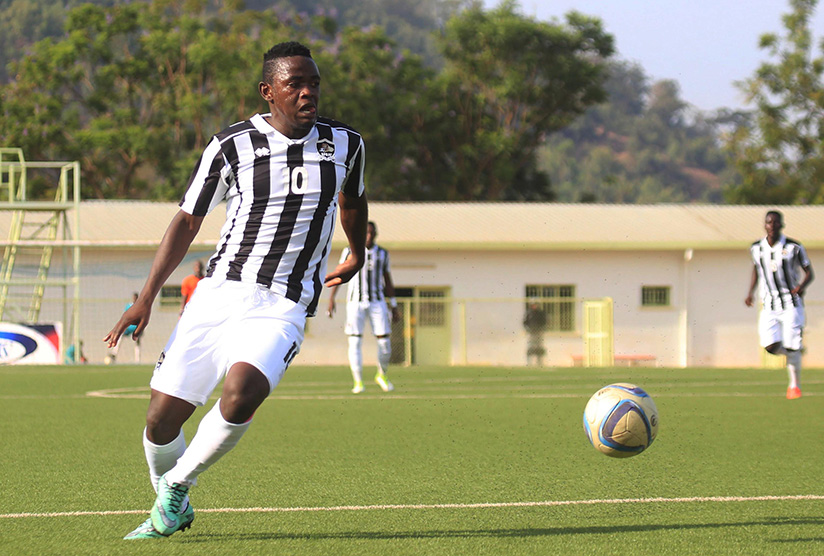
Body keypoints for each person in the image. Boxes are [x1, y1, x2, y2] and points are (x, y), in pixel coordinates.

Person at [104, 41, 368, 540]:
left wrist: (356, 250)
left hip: (284, 303)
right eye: (296, 84)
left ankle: (177, 487)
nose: (308, 92)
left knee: (242, 392)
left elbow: (353, 198)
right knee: (161, 422)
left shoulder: (346, 144)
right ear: (269, 91)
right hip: (219, 293)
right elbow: (186, 220)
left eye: (313, 83)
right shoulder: (231, 145)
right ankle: (172, 503)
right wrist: (144, 297)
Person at [745, 210, 814, 400]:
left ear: (781, 225)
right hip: (769, 304)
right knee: (769, 345)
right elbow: (756, 269)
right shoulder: (756, 248)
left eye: (776, 222)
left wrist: (801, 286)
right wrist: (750, 292)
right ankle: (794, 352)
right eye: (769, 222)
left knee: (792, 345)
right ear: (765, 225)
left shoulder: (794, 247)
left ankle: (794, 386)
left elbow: (809, 272)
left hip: (791, 303)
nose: (772, 225)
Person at [327, 221, 400, 393]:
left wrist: (394, 305)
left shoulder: (382, 254)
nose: (367, 236)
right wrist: (332, 298)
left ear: (375, 234)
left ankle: (381, 374)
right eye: (365, 233)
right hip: (355, 302)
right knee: (354, 341)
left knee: (384, 341)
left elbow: (387, 279)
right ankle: (358, 381)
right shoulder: (348, 251)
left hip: (377, 301)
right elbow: (341, 273)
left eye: (371, 233)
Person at [106, 292, 141, 364]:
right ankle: (114, 353)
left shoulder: (140, 306)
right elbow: (125, 316)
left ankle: (137, 359)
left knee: (137, 342)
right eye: (134, 298)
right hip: (128, 327)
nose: (134, 299)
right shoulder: (128, 306)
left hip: (136, 327)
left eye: (136, 298)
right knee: (120, 337)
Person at [523, 301, 547, 366]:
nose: (534, 306)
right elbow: (525, 322)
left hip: (539, 333)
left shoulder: (540, 313)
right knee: (531, 347)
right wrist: (528, 329)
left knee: (539, 347)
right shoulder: (529, 313)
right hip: (531, 333)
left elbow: (544, 322)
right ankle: (529, 362)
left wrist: (541, 329)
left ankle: (540, 362)